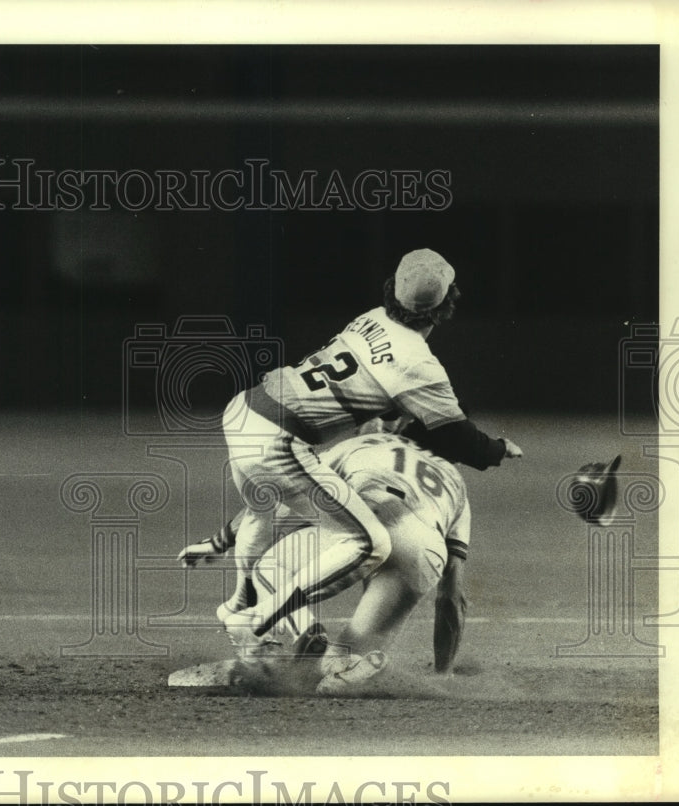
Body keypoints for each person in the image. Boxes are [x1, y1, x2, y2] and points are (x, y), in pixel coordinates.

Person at [180, 249, 522, 649]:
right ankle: (258, 619)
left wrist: (219, 540)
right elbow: (457, 437)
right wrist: (497, 450)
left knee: (268, 507)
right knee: (370, 543)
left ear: (392, 289)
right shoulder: (419, 365)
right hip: (277, 436)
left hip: (244, 409)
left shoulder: (369, 319)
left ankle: (241, 602)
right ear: (445, 306)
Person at [190, 423, 476, 696]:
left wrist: (223, 539)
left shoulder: (364, 442)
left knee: (271, 567)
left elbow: (276, 499)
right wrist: (443, 673)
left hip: (367, 513)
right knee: (343, 663)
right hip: (423, 547)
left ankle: (304, 632)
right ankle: (345, 666)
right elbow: (452, 598)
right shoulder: (457, 484)